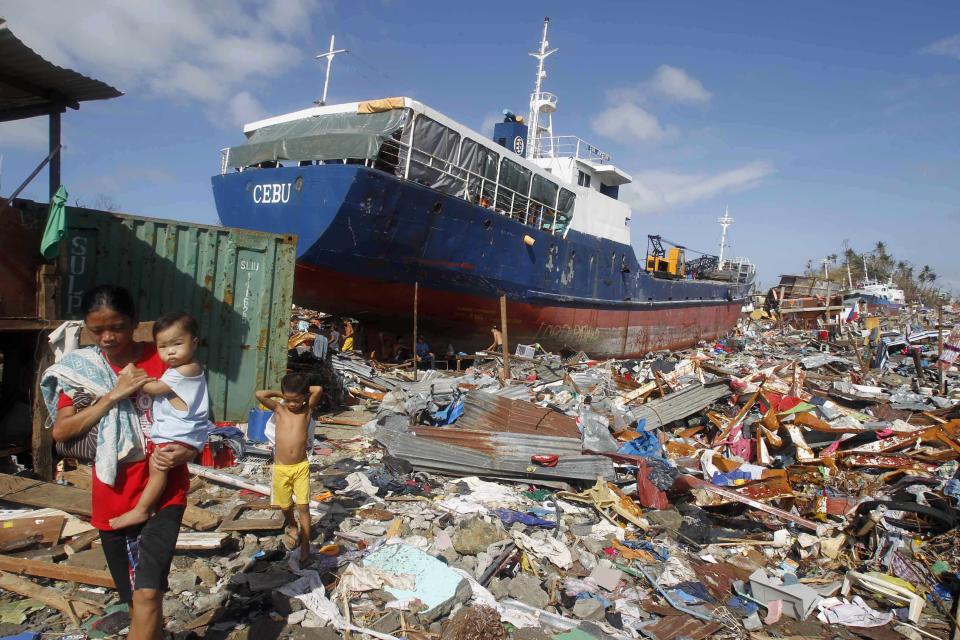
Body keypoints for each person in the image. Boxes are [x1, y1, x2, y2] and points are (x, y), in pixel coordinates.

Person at [42, 285, 197, 640]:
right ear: (85, 327)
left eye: (118, 327)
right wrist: (113, 395)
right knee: (133, 598)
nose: (108, 337)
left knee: (147, 594)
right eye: (97, 330)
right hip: (111, 497)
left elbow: (201, 415)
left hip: (163, 493)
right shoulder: (82, 369)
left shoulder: (163, 358)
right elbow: (62, 432)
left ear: (134, 321)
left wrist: (190, 449)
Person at [108, 313, 212, 530]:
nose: (170, 351)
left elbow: (155, 388)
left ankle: (142, 509)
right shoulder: (182, 370)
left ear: (194, 343)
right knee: (158, 469)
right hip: (182, 433)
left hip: (176, 433)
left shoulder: (185, 369)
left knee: (157, 468)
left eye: (177, 343)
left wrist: (132, 374)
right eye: (163, 346)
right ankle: (147, 508)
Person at [255, 374, 323, 562]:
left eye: (297, 400)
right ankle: (293, 525)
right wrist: (283, 394)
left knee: (304, 507)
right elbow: (260, 394)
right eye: (289, 400)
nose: (292, 404)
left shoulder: (307, 410)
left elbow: (317, 389)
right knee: (285, 506)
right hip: (281, 468)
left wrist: (301, 392)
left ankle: (306, 544)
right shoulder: (279, 409)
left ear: (304, 398)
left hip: (300, 467)